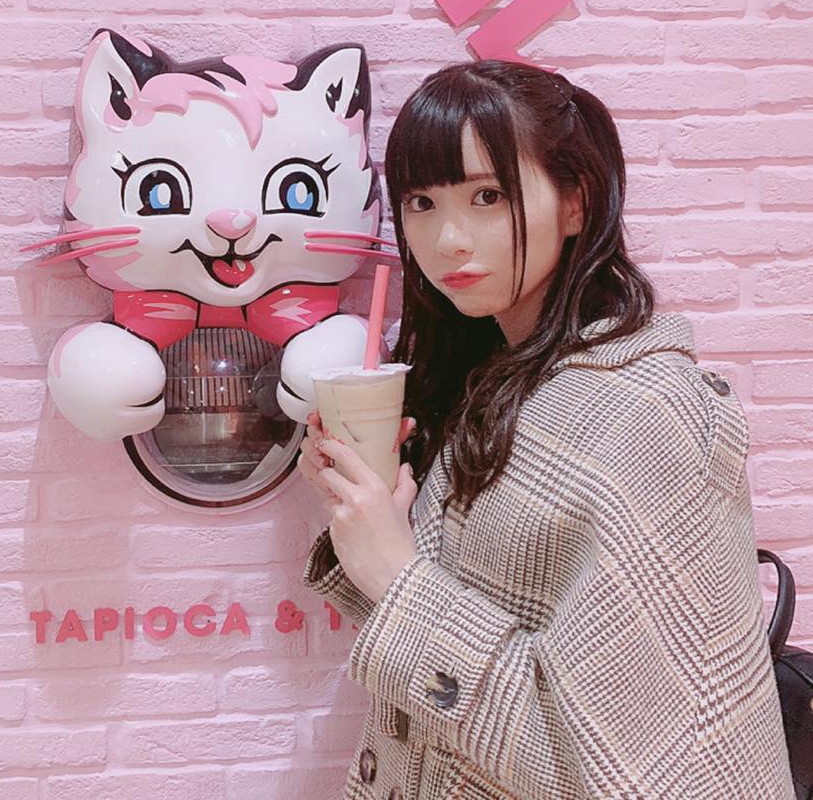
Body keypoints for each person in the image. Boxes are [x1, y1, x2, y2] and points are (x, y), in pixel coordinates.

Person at [297, 60, 793, 800]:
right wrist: (370, 519)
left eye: (488, 196)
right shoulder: (494, 379)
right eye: (422, 202)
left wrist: (397, 576)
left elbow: (605, 766)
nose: (448, 239)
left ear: (575, 203)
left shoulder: (644, 414)